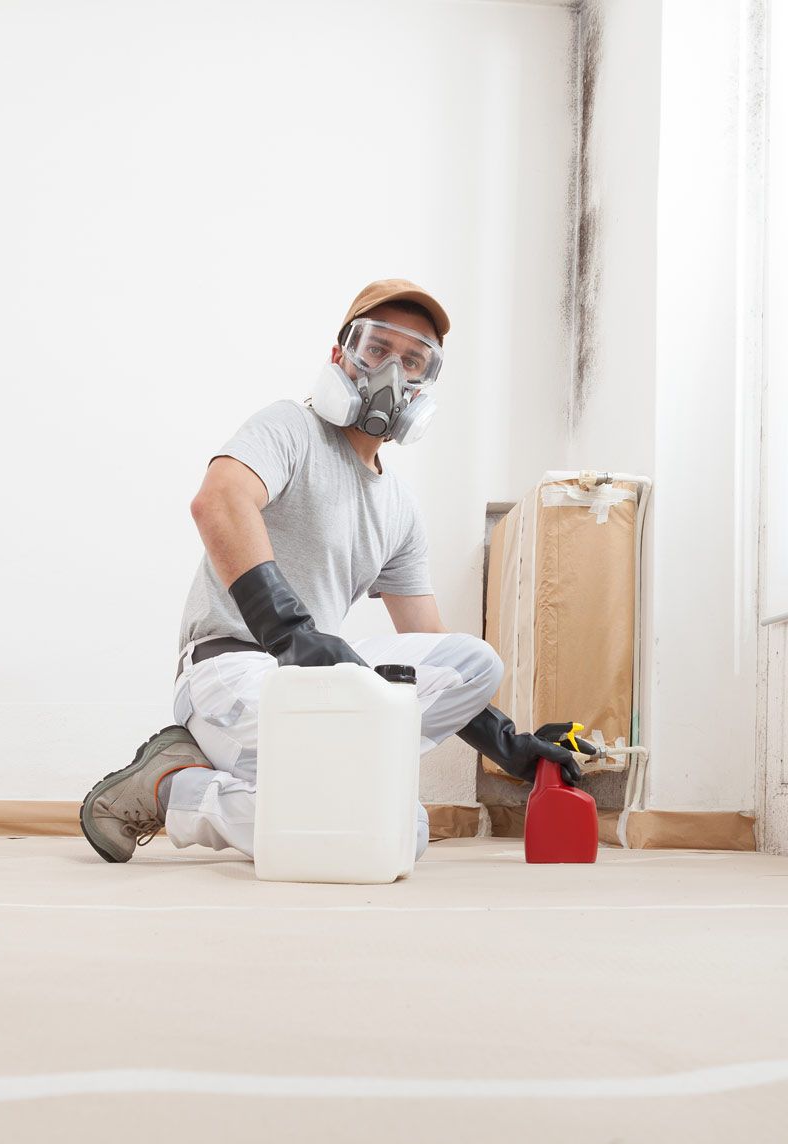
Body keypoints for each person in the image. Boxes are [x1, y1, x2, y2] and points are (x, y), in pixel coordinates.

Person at [79, 279, 586, 864]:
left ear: (425, 388)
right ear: (339, 355)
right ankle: (170, 789)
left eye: (414, 362)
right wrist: (291, 634)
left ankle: (201, 780)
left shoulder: (398, 507)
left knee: (450, 720)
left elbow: (431, 648)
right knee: (366, 817)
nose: (392, 373)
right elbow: (218, 501)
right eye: (377, 350)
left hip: (316, 683)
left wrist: (509, 745)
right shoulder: (289, 428)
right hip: (231, 666)